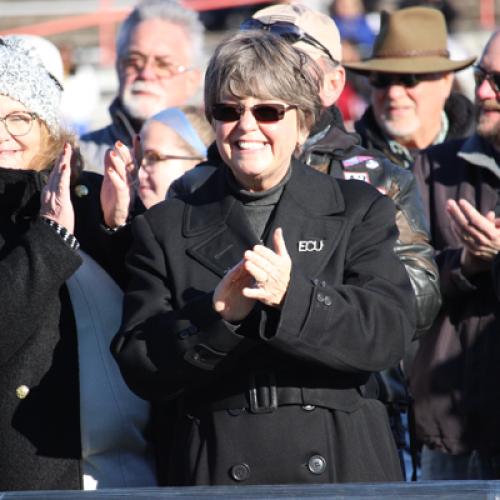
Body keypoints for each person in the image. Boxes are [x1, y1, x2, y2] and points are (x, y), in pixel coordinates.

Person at [112, 30, 416, 485]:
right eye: (229, 111)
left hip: (341, 461)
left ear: (303, 122)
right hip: (218, 464)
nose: (247, 126)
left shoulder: (359, 209)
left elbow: (389, 332)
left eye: (268, 111)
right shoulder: (166, 226)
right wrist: (217, 318)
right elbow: (138, 363)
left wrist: (293, 300)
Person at [0, 37, 156, 491]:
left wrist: (118, 225)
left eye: (18, 117)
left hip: (134, 468)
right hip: (30, 475)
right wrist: (50, 241)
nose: (3, 134)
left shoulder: (88, 192)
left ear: (47, 124)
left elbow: (153, 307)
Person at [409, 30, 500, 480]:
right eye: (482, 76)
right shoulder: (431, 169)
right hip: (450, 437)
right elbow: (400, 283)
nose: (483, 91)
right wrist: (466, 265)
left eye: (499, 81)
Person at [79, 0, 204, 174]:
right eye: (134, 61)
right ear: (118, 67)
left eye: (162, 64)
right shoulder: (79, 159)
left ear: (192, 80)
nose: (146, 74)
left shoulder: (218, 160)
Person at [345, 6, 475, 168]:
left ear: (446, 81)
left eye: (410, 79)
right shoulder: (346, 158)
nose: (394, 93)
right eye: (382, 79)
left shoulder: (484, 153)